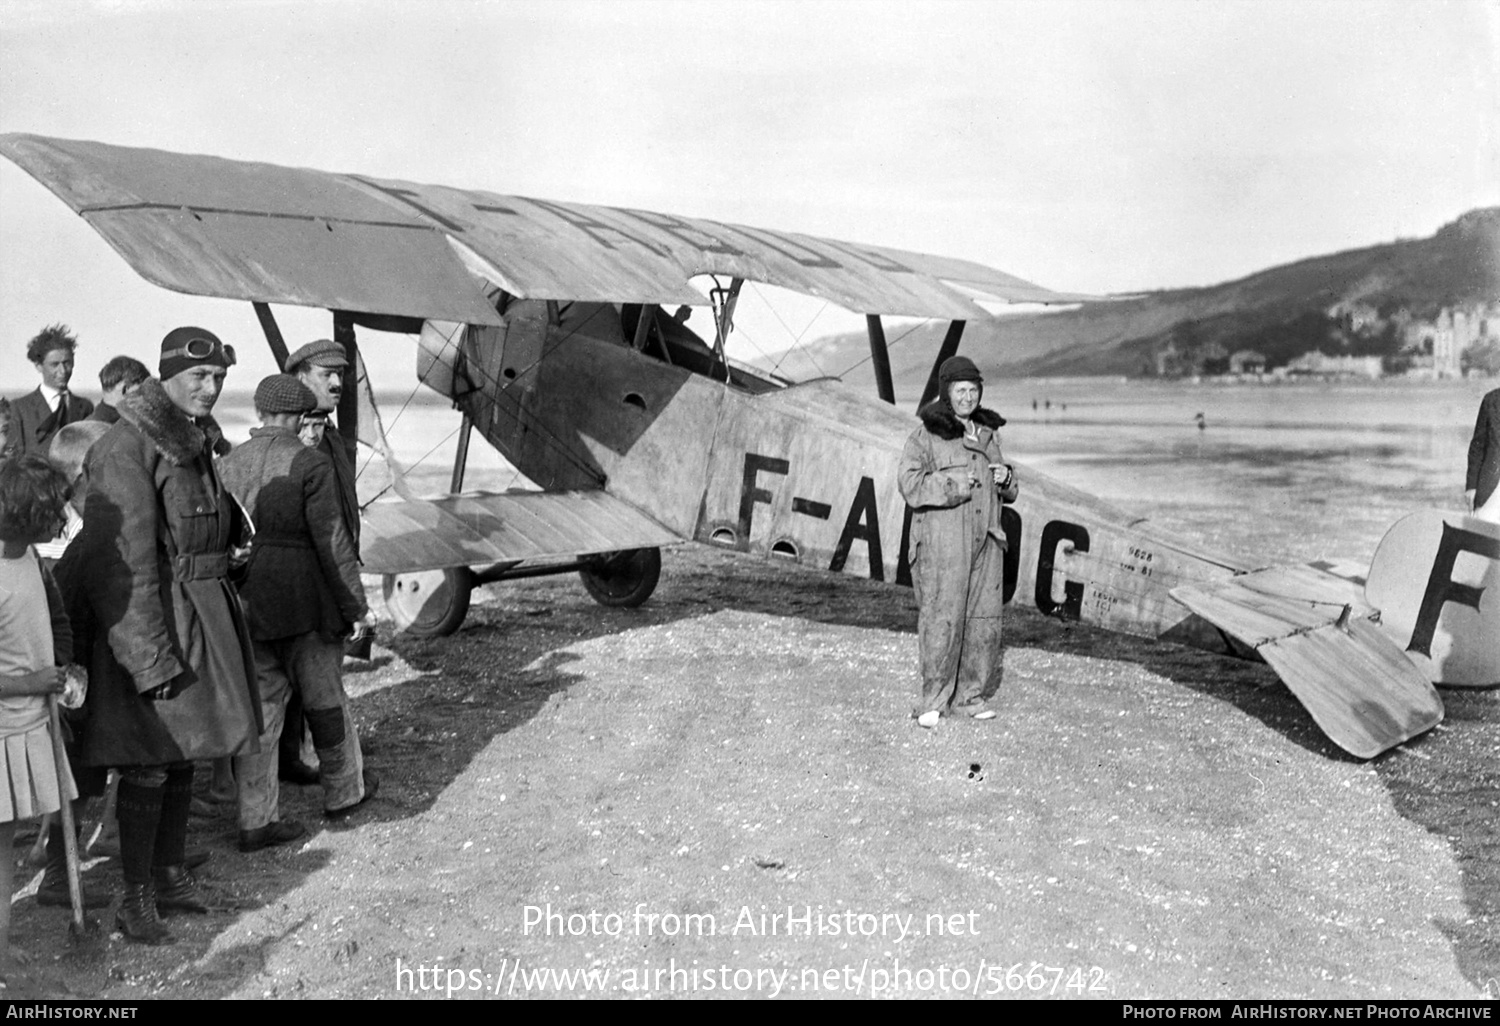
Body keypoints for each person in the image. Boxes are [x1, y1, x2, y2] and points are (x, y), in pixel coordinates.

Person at [58, 326, 261, 945]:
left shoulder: (189, 438)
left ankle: (170, 877)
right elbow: (125, 564)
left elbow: (207, 526)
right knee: (150, 759)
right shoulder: (127, 447)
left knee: (183, 754)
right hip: (154, 623)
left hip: (199, 615)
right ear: (166, 377)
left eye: (219, 378)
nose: (211, 387)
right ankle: (135, 898)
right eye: (198, 377)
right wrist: (147, 658)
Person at [219, 374, 374, 852]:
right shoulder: (310, 463)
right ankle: (344, 797)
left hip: (248, 604)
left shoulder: (227, 464)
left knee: (261, 716)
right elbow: (333, 543)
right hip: (308, 603)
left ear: (262, 412)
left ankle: (255, 821)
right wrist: (357, 608)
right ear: (298, 416)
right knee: (325, 703)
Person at [897, 356, 1019, 728]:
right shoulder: (925, 436)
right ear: (946, 394)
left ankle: (969, 697)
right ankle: (933, 700)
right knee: (941, 618)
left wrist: (1006, 478)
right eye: (960, 390)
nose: (967, 398)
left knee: (983, 620)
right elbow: (910, 485)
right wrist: (954, 485)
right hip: (943, 545)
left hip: (988, 542)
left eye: (973, 390)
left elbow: (1012, 491)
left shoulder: (987, 434)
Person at [0, 456, 78, 974]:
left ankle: (0, 946)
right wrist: (28, 682)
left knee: (4, 848)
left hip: (25, 725)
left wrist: (65, 667)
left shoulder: (29, 558)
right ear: (25, 513)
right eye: (54, 510)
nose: (63, 519)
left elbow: (52, 621)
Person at [283, 340, 360, 785]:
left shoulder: (327, 433)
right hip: (308, 575)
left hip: (333, 567)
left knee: (318, 673)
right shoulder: (293, 437)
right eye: (325, 374)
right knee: (307, 675)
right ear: (298, 378)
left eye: (341, 374)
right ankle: (313, 761)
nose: (336, 383)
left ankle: (301, 754)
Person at [11, 325, 94, 458]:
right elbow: (14, 458)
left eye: (67, 363)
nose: (62, 371)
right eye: (54, 364)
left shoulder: (85, 407)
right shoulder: (19, 408)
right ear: (39, 366)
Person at [1466, 386, 1500, 523]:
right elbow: (1477, 447)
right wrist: (1471, 486)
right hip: (1491, 487)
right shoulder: (1491, 400)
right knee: (1483, 536)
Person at [88, 355, 150, 425]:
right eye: (141, 390)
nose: (144, 396)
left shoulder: (84, 427)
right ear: (125, 388)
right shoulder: (129, 428)